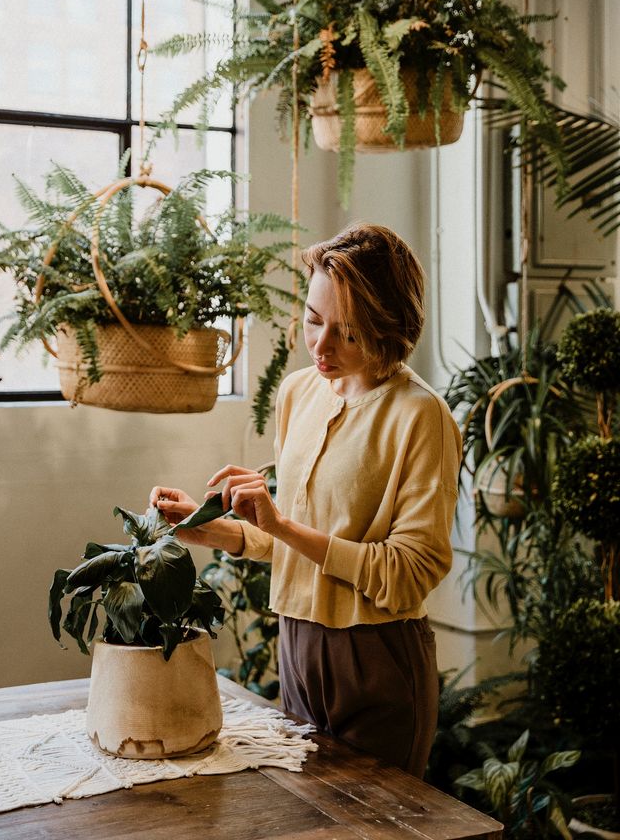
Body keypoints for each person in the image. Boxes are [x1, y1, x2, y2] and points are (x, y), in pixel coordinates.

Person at [150, 224, 461, 778]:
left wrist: (286, 527)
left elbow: (413, 571)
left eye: (348, 334)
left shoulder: (421, 417)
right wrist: (211, 532)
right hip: (295, 645)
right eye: (314, 321)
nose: (320, 347)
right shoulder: (298, 392)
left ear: (389, 330)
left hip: (379, 660)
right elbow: (291, 540)